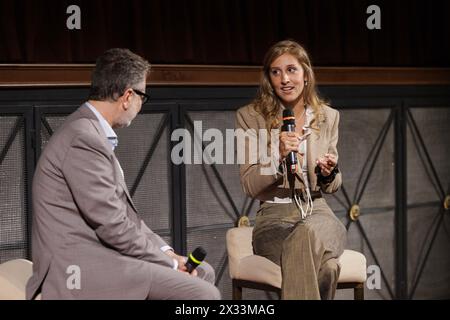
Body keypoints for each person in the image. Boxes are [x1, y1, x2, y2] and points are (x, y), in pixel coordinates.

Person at [26, 48, 220, 300]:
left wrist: (166, 252)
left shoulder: (90, 131)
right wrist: (169, 264)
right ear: (128, 96)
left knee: (203, 272)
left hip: (103, 256)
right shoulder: (83, 138)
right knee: (204, 295)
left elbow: (127, 218)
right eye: (143, 96)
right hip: (81, 268)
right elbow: (112, 224)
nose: (141, 105)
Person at [236, 40, 346, 299]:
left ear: (306, 75)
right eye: (275, 72)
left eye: (291, 70)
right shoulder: (250, 116)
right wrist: (278, 157)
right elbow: (250, 185)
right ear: (269, 79)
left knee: (307, 233)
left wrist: (329, 172)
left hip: (318, 213)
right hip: (273, 217)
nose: (284, 79)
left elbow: (334, 185)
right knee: (327, 268)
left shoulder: (328, 117)